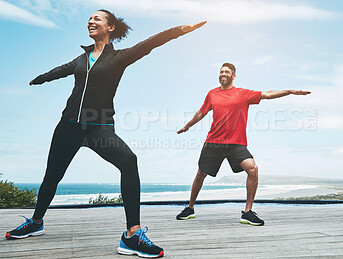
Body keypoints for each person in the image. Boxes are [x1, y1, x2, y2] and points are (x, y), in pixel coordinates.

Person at [5, 9, 205, 258]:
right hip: (68, 125)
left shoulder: (119, 57)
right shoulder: (82, 58)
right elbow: (61, 70)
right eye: (89, 18)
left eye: (97, 18)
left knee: (129, 161)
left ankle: (132, 234)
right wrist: (40, 79)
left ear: (110, 28)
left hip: (98, 127)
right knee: (51, 176)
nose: (91, 21)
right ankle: (36, 222)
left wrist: (179, 30)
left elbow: (149, 44)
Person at [176, 63, 311, 226]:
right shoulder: (212, 94)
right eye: (221, 72)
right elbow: (202, 112)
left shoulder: (243, 94)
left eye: (227, 72)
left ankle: (247, 212)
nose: (223, 74)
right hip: (214, 142)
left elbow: (267, 94)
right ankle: (190, 208)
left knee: (253, 169)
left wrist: (289, 91)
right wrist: (188, 125)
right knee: (200, 174)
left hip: (236, 144)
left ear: (233, 76)